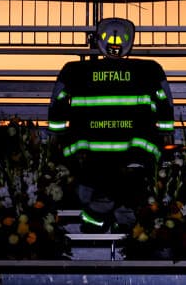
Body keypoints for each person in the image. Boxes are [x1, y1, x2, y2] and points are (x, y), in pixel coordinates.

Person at [47, 17, 175, 233]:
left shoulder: (73, 71)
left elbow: (56, 102)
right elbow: (166, 105)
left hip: (87, 158)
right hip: (135, 158)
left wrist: (55, 138)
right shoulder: (150, 71)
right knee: (134, 180)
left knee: (100, 181)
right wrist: (166, 138)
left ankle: (97, 213)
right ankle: (120, 215)